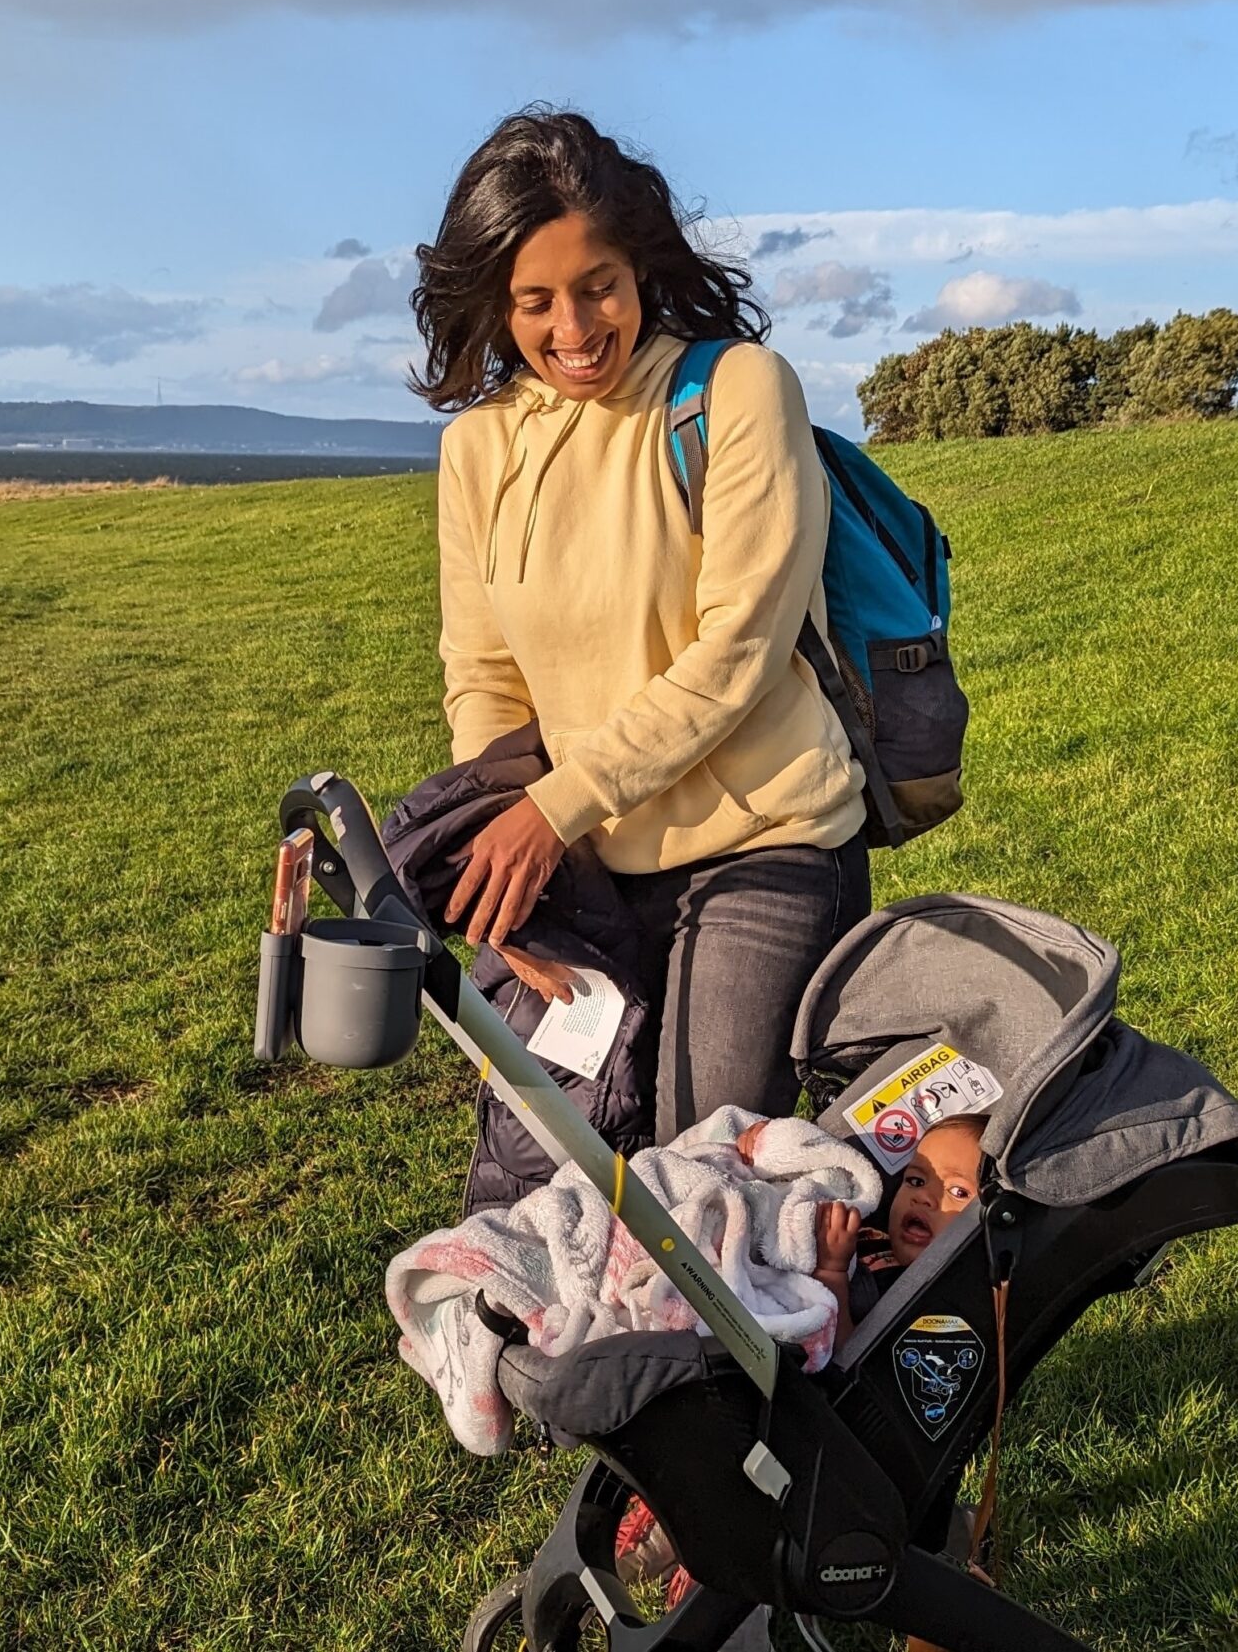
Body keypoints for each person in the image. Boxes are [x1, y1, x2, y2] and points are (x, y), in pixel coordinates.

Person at [413, 107, 871, 1143]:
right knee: (561, 1176)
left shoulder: (737, 390)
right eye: (534, 302)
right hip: (580, 863)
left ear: (640, 269)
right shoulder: (480, 450)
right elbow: (482, 673)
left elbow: (739, 653)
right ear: (495, 301)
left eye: (597, 287)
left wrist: (556, 807)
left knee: (698, 1181)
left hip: (764, 845)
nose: (572, 329)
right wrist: (514, 860)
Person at [813, 1114, 988, 1342]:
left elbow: (849, 1360)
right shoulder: (874, 1233)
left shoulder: (927, 1309)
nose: (923, 1196)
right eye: (916, 1181)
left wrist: (832, 1270)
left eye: (958, 1192)